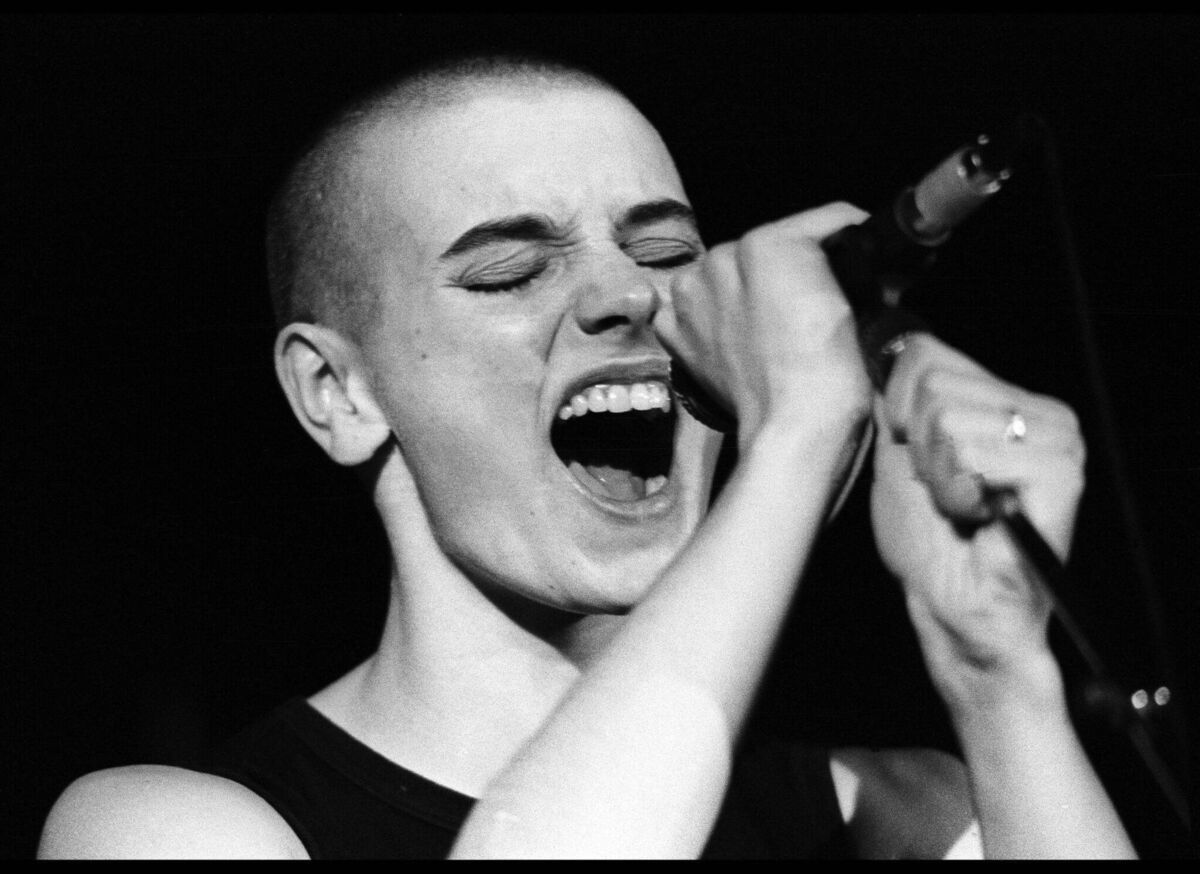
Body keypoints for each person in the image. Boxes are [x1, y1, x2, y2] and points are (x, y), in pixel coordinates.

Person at [37, 54, 1137, 859]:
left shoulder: (894, 813)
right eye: (511, 272)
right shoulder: (166, 827)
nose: (626, 296)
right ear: (338, 392)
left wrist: (999, 678)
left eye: (664, 252)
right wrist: (795, 440)